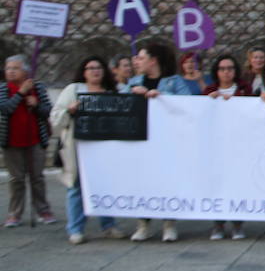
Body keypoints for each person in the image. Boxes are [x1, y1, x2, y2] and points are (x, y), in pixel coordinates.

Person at [50, 56, 125, 243]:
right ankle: (75, 229)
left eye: (98, 67)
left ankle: (108, 225)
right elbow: (55, 117)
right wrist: (69, 111)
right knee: (76, 187)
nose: (95, 71)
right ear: (84, 72)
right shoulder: (74, 90)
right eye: (90, 68)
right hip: (78, 146)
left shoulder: (112, 91)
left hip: (105, 147)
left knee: (105, 186)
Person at [128, 42, 190, 242]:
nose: (137, 61)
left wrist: (164, 97)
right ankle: (143, 224)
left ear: (153, 60)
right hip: (141, 137)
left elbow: (189, 102)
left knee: (167, 179)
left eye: (142, 57)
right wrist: (132, 95)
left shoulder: (174, 81)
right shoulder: (134, 82)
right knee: (141, 180)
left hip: (167, 139)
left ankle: (169, 223)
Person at [203, 54, 250, 239]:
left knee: (238, 183)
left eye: (230, 68)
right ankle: (218, 224)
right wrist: (208, 100)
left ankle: (237, 224)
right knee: (217, 183)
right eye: (222, 69)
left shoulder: (244, 89)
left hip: (239, 144)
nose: (226, 72)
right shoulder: (210, 89)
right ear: (217, 72)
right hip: (216, 145)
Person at [3, 55, 54, 227]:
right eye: (8, 68)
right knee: (16, 179)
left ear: (25, 70)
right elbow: (5, 109)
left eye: (15, 68)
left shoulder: (37, 87)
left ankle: (43, 210)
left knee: (37, 178)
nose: (10, 71)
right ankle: (14, 213)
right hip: (11, 141)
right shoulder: (3, 89)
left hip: (35, 139)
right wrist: (21, 93)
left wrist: (37, 105)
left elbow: (48, 111)